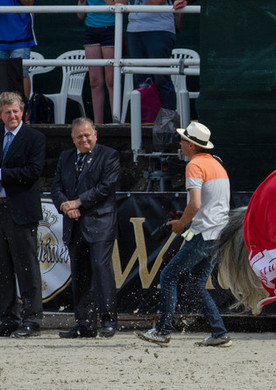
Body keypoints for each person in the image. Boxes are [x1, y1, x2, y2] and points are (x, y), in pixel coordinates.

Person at [136, 121, 232, 347]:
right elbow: (208, 203)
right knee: (197, 283)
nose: (180, 142)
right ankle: (219, 332)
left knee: (168, 275)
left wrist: (181, 223)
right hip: (217, 232)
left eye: (183, 140)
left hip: (204, 233)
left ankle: (163, 331)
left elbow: (196, 204)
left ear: (191, 145)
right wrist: (186, 217)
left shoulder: (195, 166)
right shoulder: (216, 164)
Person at [51, 117, 120, 338]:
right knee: (79, 275)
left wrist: (78, 202)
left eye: (87, 134)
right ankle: (84, 324)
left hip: (100, 223)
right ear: (72, 138)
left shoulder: (109, 155)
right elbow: (56, 187)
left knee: (101, 271)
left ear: (95, 134)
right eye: (79, 136)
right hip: (74, 223)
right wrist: (65, 206)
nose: (84, 139)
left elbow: (106, 187)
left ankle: (109, 321)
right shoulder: (65, 157)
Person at [0, 91, 46, 338]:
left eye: (16, 111)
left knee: (27, 267)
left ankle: (32, 319)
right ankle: (7, 318)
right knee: (3, 268)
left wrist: (1, 175)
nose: (12, 115)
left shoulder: (34, 137)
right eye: (7, 112)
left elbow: (33, 171)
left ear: (23, 112)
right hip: (0, 208)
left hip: (20, 209)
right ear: (1, 114)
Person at [118, 0, 187, 111]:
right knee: (142, 81)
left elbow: (156, 2)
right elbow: (119, 4)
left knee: (161, 78)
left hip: (159, 29)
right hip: (134, 29)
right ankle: (147, 123)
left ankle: (167, 123)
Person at [77, 0, 117, 124]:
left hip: (110, 28)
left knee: (111, 80)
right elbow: (80, 15)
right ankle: (98, 124)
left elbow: (120, 7)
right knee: (94, 81)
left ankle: (116, 122)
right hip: (91, 29)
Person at [0, 0, 37, 99]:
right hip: (1, 37)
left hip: (21, 36)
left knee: (22, 74)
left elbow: (29, 3)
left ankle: (23, 110)